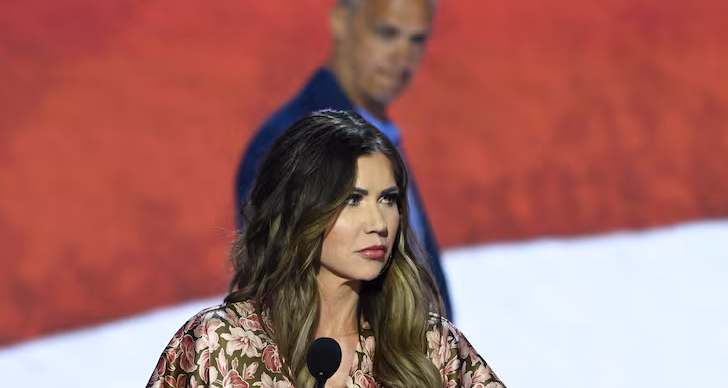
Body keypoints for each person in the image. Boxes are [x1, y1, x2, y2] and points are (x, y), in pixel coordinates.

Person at [148, 111, 504, 388]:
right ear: (298, 211)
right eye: (352, 200)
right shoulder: (221, 345)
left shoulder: (431, 347)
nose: (378, 223)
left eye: (388, 199)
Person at [236, 0, 454, 320]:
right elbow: (282, 296)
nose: (402, 55)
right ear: (341, 20)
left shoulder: (377, 135)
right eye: (386, 32)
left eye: (416, 39)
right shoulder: (291, 140)